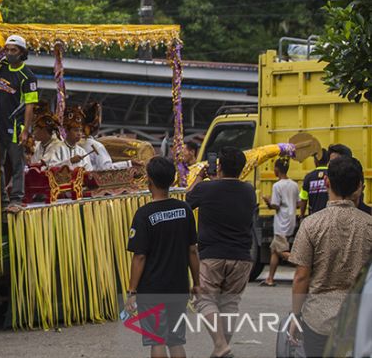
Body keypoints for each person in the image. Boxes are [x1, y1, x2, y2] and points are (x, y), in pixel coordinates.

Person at [288, 156, 372, 358]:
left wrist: (295, 317)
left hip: (317, 320)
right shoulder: (369, 225)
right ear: (360, 185)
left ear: (327, 181)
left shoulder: (311, 224)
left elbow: (301, 277)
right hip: (359, 322)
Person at [185, 146, 256, 358]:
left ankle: (220, 345)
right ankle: (220, 349)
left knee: (204, 300)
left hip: (212, 254)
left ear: (219, 166)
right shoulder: (249, 190)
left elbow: (187, 203)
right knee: (230, 304)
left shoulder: (206, 189)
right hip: (242, 257)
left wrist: (200, 177)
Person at [126, 157, 200, 358]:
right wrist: (197, 283)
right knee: (176, 341)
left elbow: (139, 257)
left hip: (152, 290)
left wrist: (132, 291)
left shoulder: (143, 215)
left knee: (157, 341)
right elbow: (192, 250)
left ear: (149, 180)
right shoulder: (184, 210)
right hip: (178, 287)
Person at [0, 34, 38, 209]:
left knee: (16, 163)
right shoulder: (1, 67)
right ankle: (2, 199)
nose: (10, 53)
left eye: (14, 50)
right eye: (7, 50)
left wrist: (25, 130)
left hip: (15, 126)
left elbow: (30, 105)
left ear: (22, 53)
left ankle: (16, 199)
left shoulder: (28, 77)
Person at [261, 158, 299, 286]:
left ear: (277, 169)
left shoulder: (277, 186)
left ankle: (302, 265)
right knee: (274, 249)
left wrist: (268, 201)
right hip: (291, 219)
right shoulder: (294, 184)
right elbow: (298, 204)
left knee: (279, 251)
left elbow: (275, 206)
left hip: (281, 222)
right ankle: (270, 279)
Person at [79, 102, 130, 171]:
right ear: (96, 125)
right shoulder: (96, 146)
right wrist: (128, 164)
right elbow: (106, 169)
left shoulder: (74, 143)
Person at [299, 149, 329, 218]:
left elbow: (304, 199)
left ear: (315, 161)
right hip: (329, 217)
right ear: (328, 160)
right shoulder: (332, 175)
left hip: (313, 217)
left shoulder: (308, 177)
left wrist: (301, 215)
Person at [63, 106, 93, 171]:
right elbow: (50, 168)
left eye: (81, 130)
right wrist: (70, 161)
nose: (79, 133)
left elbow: (90, 172)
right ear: (66, 131)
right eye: (76, 130)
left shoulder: (82, 152)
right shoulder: (56, 149)